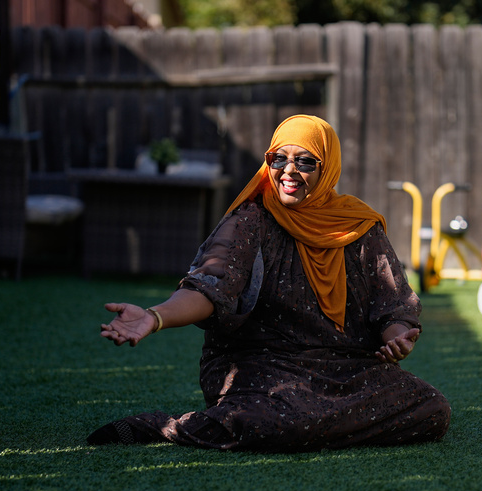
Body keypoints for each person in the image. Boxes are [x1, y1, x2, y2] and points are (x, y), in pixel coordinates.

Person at [89, 114, 450, 452]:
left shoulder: (359, 226)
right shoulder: (250, 221)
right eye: (278, 159)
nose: (288, 171)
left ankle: (311, 424)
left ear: (328, 167)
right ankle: (163, 427)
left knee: (431, 407)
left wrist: (396, 337)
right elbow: (210, 286)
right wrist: (155, 317)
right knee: (277, 419)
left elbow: (393, 305)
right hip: (261, 367)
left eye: (305, 161)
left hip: (347, 368)